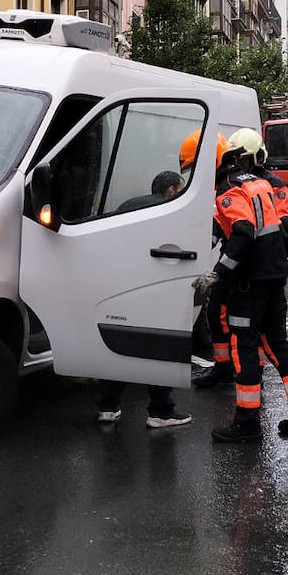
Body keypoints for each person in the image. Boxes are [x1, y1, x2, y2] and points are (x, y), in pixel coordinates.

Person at [97, 139, 222, 429]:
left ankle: (107, 407)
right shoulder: (171, 212)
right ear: (170, 191)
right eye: (181, 189)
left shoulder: (128, 206)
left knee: (120, 347)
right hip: (154, 288)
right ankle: (161, 411)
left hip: (120, 286)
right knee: (159, 350)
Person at [202, 128, 288, 443]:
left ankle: (247, 422)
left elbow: (242, 231)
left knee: (245, 347)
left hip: (249, 283)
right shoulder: (259, 183)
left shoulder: (228, 190)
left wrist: (217, 273)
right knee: (278, 344)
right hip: (273, 276)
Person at [117, 170, 184, 213]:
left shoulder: (128, 204)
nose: (182, 195)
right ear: (171, 189)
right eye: (181, 190)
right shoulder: (164, 211)